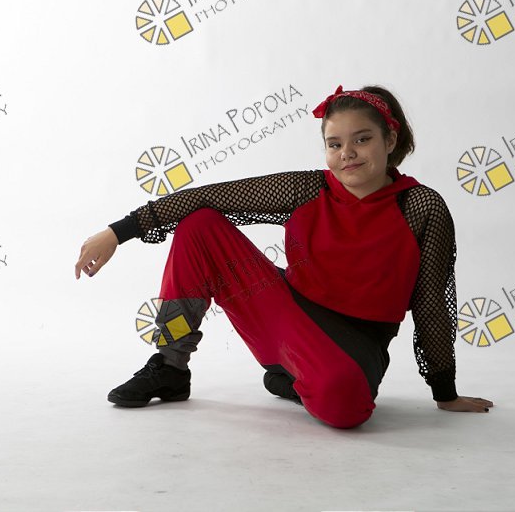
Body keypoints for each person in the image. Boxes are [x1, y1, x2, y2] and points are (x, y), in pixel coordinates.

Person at [75, 84, 493, 429]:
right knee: (199, 226)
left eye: (362, 139)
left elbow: (431, 303)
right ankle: (170, 366)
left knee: (347, 412)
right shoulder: (309, 189)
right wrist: (117, 232)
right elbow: (207, 196)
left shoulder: (422, 207)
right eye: (334, 143)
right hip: (282, 314)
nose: (347, 153)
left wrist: (445, 391)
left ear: (391, 140)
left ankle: (295, 380)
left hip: (354, 344)